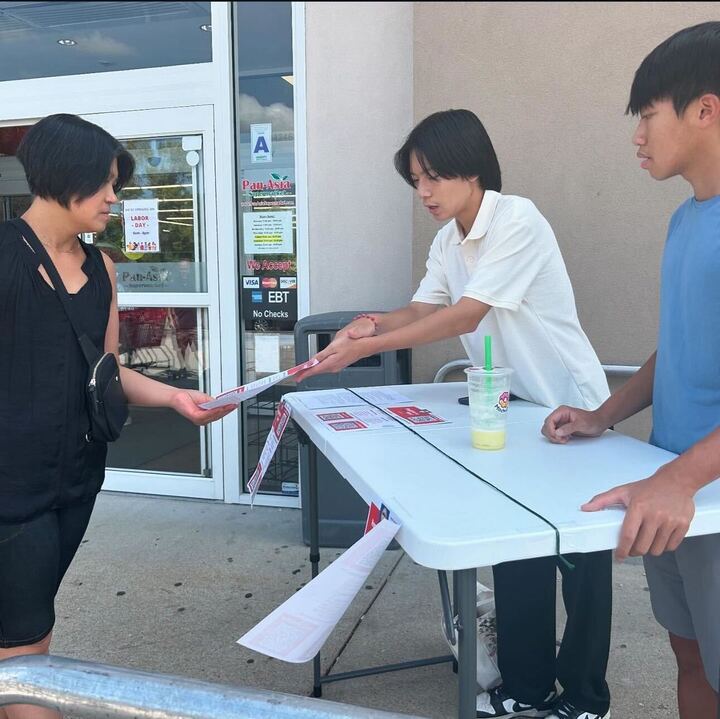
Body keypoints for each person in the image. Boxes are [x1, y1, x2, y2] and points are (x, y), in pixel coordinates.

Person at [294, 109, 612, 719]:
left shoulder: (517, 220)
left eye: (434, 176)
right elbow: (420, 311)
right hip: (513, 411)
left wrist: (365, 349)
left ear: (473, 169)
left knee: (582, 560)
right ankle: (524, 689)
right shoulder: (449, 240)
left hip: (573, 404)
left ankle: (585, 700)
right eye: (416, 180)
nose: (425, 193)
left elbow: (466, 315)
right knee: (519, 550)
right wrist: (370, 324)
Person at [0, 114, 234, 719]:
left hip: (77, 477)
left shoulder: (102, 266)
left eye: (116, 183)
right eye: (103, 183)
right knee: (26, 643)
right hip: (10, 486)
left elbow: (105, 370)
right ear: (59, 176)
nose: (113, 197)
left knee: (26, 625)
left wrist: (176, 398)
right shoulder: (4, 256)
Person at [542, 22, 720, 719]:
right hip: (670, 488)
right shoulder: (685, 221)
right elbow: (678, 347)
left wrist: (677, 480)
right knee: (690, 653)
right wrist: (604, 414)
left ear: (705, 109)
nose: (637, 136)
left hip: (700, 492)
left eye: (647, 115)